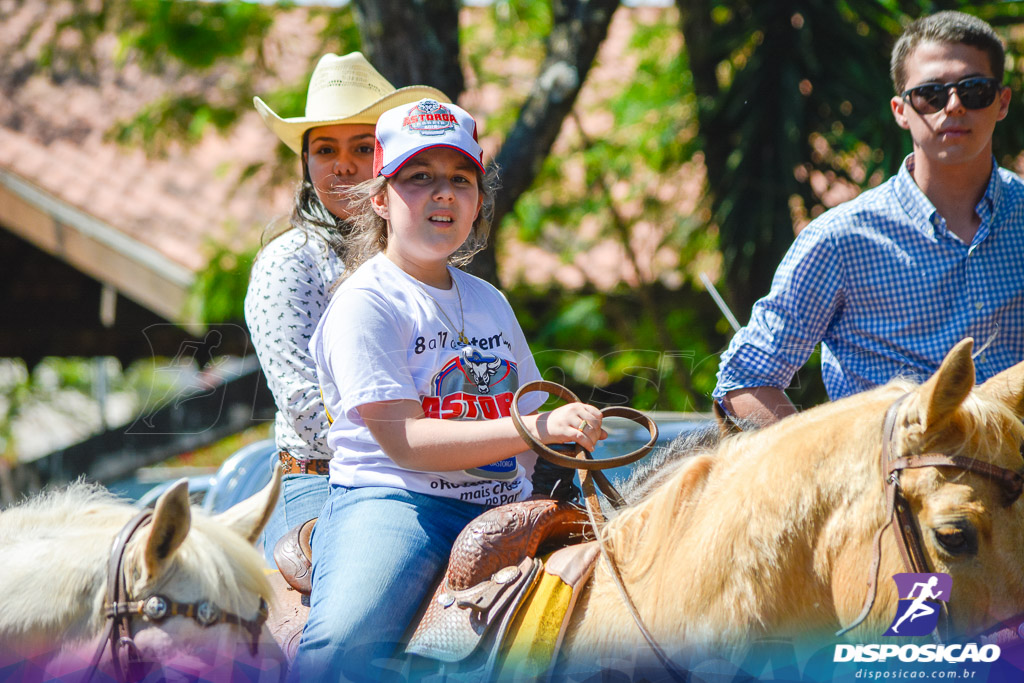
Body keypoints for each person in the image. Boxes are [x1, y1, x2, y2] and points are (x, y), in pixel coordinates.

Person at [291, 98, 607, 682]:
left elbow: (533, 409)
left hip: (509, 505)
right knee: (342, 648)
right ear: (380, 198)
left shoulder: (489, 300)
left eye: (461, 179)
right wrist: (528, 429)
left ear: (478, 201)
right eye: (420, 178)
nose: (444, 193)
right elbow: (406, 442)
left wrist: (570, 426)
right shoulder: (367, 302)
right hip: (400, 505)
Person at [713, 10, 1024, 426]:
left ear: (1002, 101)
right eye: (931, 94)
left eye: (974, 90)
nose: (953, 106)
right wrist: (821, 472)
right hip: (891, 485)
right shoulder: (840, 240)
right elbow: (746, 379)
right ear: (900, 109)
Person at [244, 53, 447, 563]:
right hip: (323, 480)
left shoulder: (423, 255)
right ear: (306, 162)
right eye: (324, 149)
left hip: (438, 464)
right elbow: (307, 409)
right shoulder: (288, 263)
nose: (343, 165)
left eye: (362, 147)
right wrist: (423, 449)